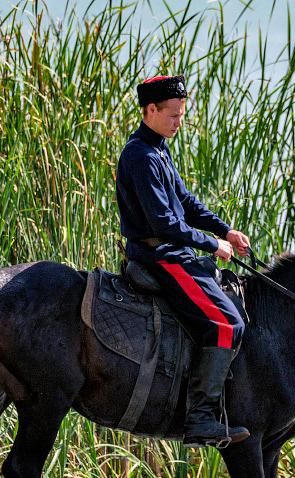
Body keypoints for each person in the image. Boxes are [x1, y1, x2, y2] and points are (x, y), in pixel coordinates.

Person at [116, 73, 250, 447]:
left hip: (176, 252)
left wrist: (226, 232)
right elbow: (164, 222)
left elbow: (185, 203)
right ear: (151, 109)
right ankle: (201, 420)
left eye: (182, 115)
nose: (179, 122)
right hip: (161, 257)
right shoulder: (140, 156)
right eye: (173, 114)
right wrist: (211, 246)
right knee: (226, 326)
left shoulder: (159, 149)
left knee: (237, 319)